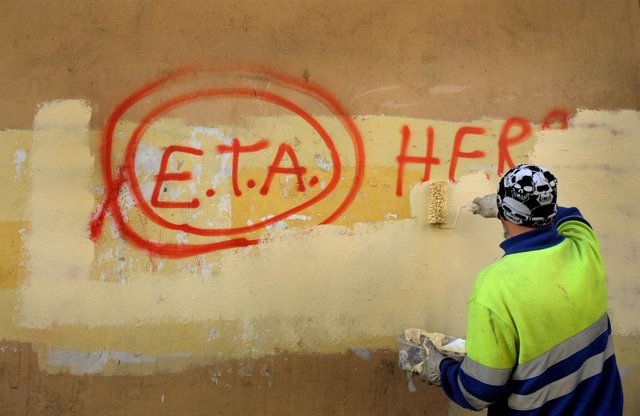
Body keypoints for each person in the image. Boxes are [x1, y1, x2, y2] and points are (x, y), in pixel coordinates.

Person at [421, 164, 624, 415]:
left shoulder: (495, 286)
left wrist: (439, 369)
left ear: (504, 216)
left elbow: (478, 392)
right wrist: (510, 207)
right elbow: (569, 214)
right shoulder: (583, 244)